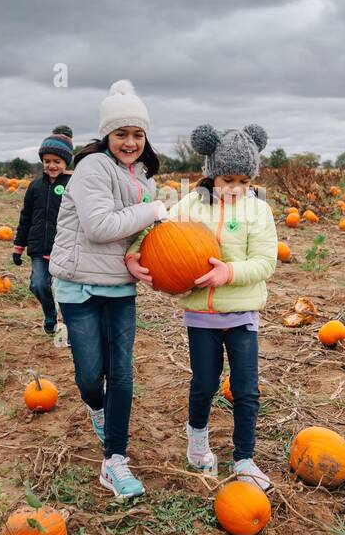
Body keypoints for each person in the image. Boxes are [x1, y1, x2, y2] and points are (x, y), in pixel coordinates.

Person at [125, 123, 277, 490]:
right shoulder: (190, 204)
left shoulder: (259, 211)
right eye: (227, 179)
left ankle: (243, 459)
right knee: (204, 384)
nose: (235, 188)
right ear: (212, 173)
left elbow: (265, 262)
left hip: (241, 315)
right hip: (201, 316)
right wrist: (133, 254)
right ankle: (197, 444)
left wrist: (229, 272)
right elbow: (155, 232)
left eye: (243, 179)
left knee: (246, 389)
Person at [49, 80, 167, 500]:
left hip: (119, 287)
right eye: (121, 134)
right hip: (78, 285)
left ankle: (114, 460)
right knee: (88, 375)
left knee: (121, 374)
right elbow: (100, 228)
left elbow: (136, 235)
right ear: (107, 135)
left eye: (138, 134)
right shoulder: (93, 167)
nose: (130, 142)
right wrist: (150, 210)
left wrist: (138, 255)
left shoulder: (146, 179)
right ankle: (94, 406)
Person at [12, 125, 74, 334]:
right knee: (38, 285)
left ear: (66, 162)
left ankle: (67, 322)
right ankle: (50, 314)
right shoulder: (35, 186)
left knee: (67, 289)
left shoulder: (74, 184)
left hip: (65, 246)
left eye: (57, 161)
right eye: (47, 161)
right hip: (39, 246)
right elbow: (25, 217)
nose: (52, 165)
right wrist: (18, 246)